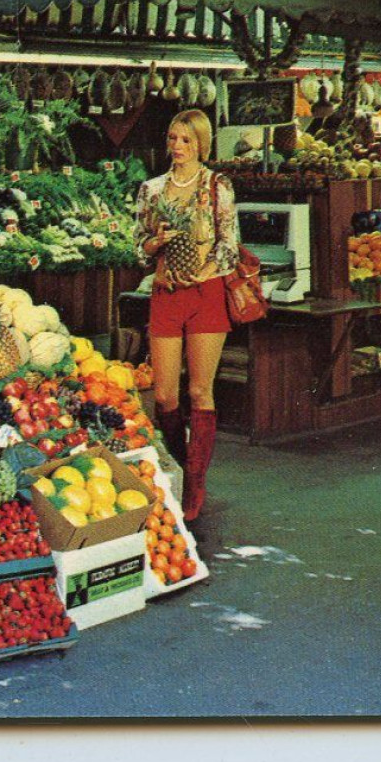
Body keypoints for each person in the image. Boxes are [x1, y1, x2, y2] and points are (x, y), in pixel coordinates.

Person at [134, 109, 240, 521]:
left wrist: (203, 272)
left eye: (186, 140)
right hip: (165, 294)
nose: (177, 147)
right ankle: (177, 465)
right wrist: (154, 243)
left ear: (201, 144)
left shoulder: (217, 186)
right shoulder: (151, 190)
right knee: (163, 395)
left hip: (205, 294)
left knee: (200, 391)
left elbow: (229, 246)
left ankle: (194, 482)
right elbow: (136, 246)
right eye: (173, 138)